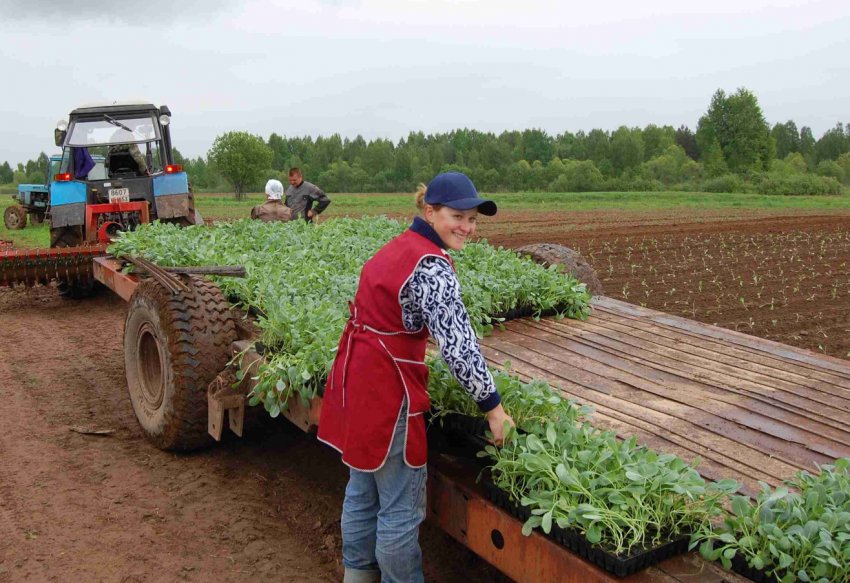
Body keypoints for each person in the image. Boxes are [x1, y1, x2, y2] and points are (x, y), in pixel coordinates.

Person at [318, 172, 515, 583]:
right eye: (457, 216)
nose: (467, 227)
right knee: (400, 510)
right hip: (389, 392)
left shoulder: (396, 248)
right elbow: (459, 348)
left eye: (473, 219)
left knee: (362, 486)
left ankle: (357, 577)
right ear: (430, 211)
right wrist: (493, 408)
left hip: (356, 379)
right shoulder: (432, 267)